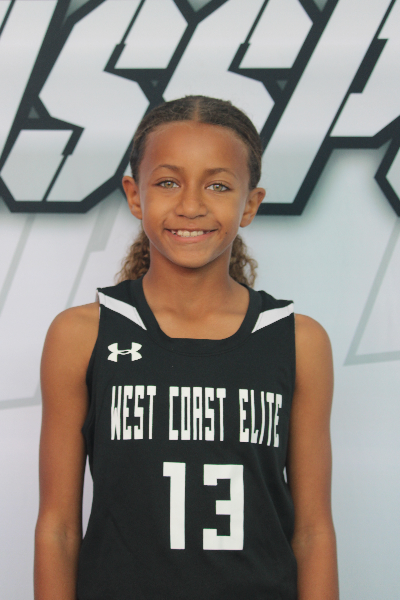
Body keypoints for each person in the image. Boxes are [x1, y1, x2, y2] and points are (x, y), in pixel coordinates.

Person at [34, 95, 339, 600]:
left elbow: (312, 532)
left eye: (218, 185)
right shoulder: (82, 334)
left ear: (250, 204)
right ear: (135, 195)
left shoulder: (297, 340)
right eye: (168, 182)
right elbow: (58, 529)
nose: (191, 205)